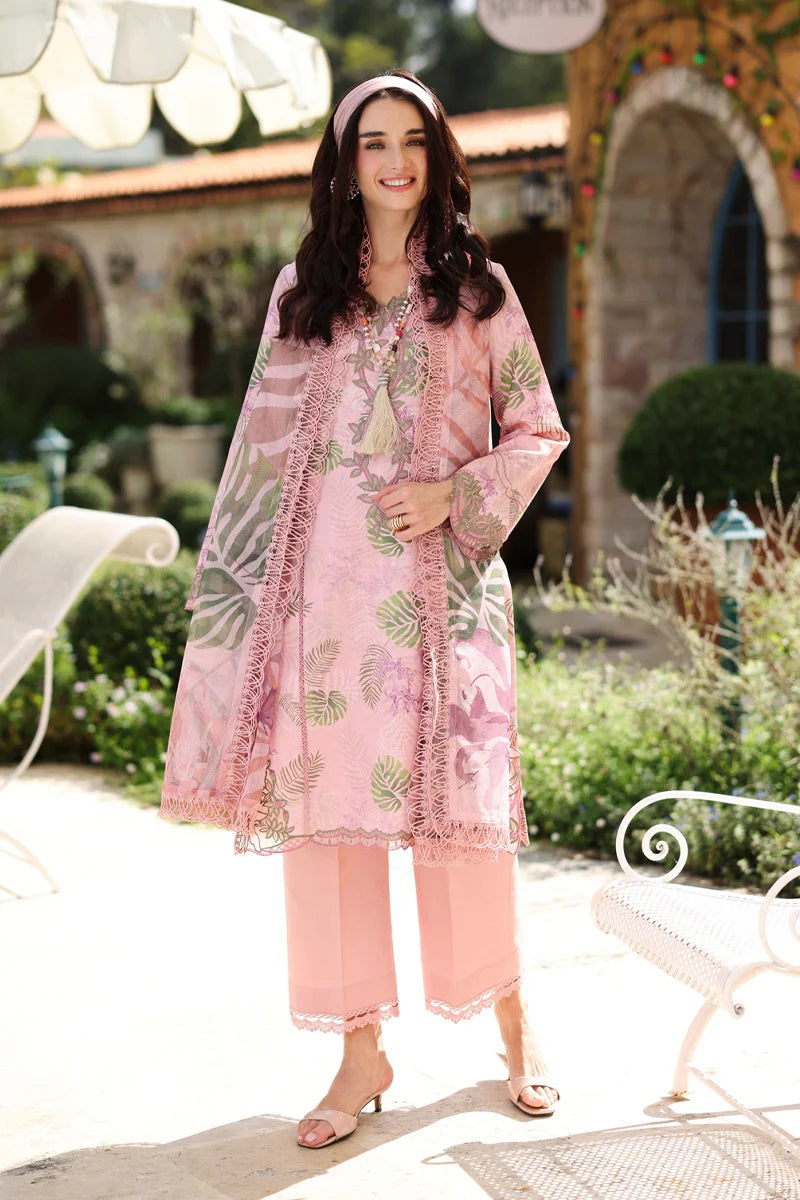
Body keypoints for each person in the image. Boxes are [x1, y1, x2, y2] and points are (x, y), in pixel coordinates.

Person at [160, 69, 569, 1149]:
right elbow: (261, 451)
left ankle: (514, 1023)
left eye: (412, 141)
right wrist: (249, 606)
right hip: (324, 608)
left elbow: (538, 428)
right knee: (329, 832)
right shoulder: (305, 291)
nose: (394, 161)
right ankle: (359, 1049)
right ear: (344, 165)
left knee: (462, 823)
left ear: (438, 157)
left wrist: (455, 495)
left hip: (444, 602)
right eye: (372, 142)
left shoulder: (477, 289)